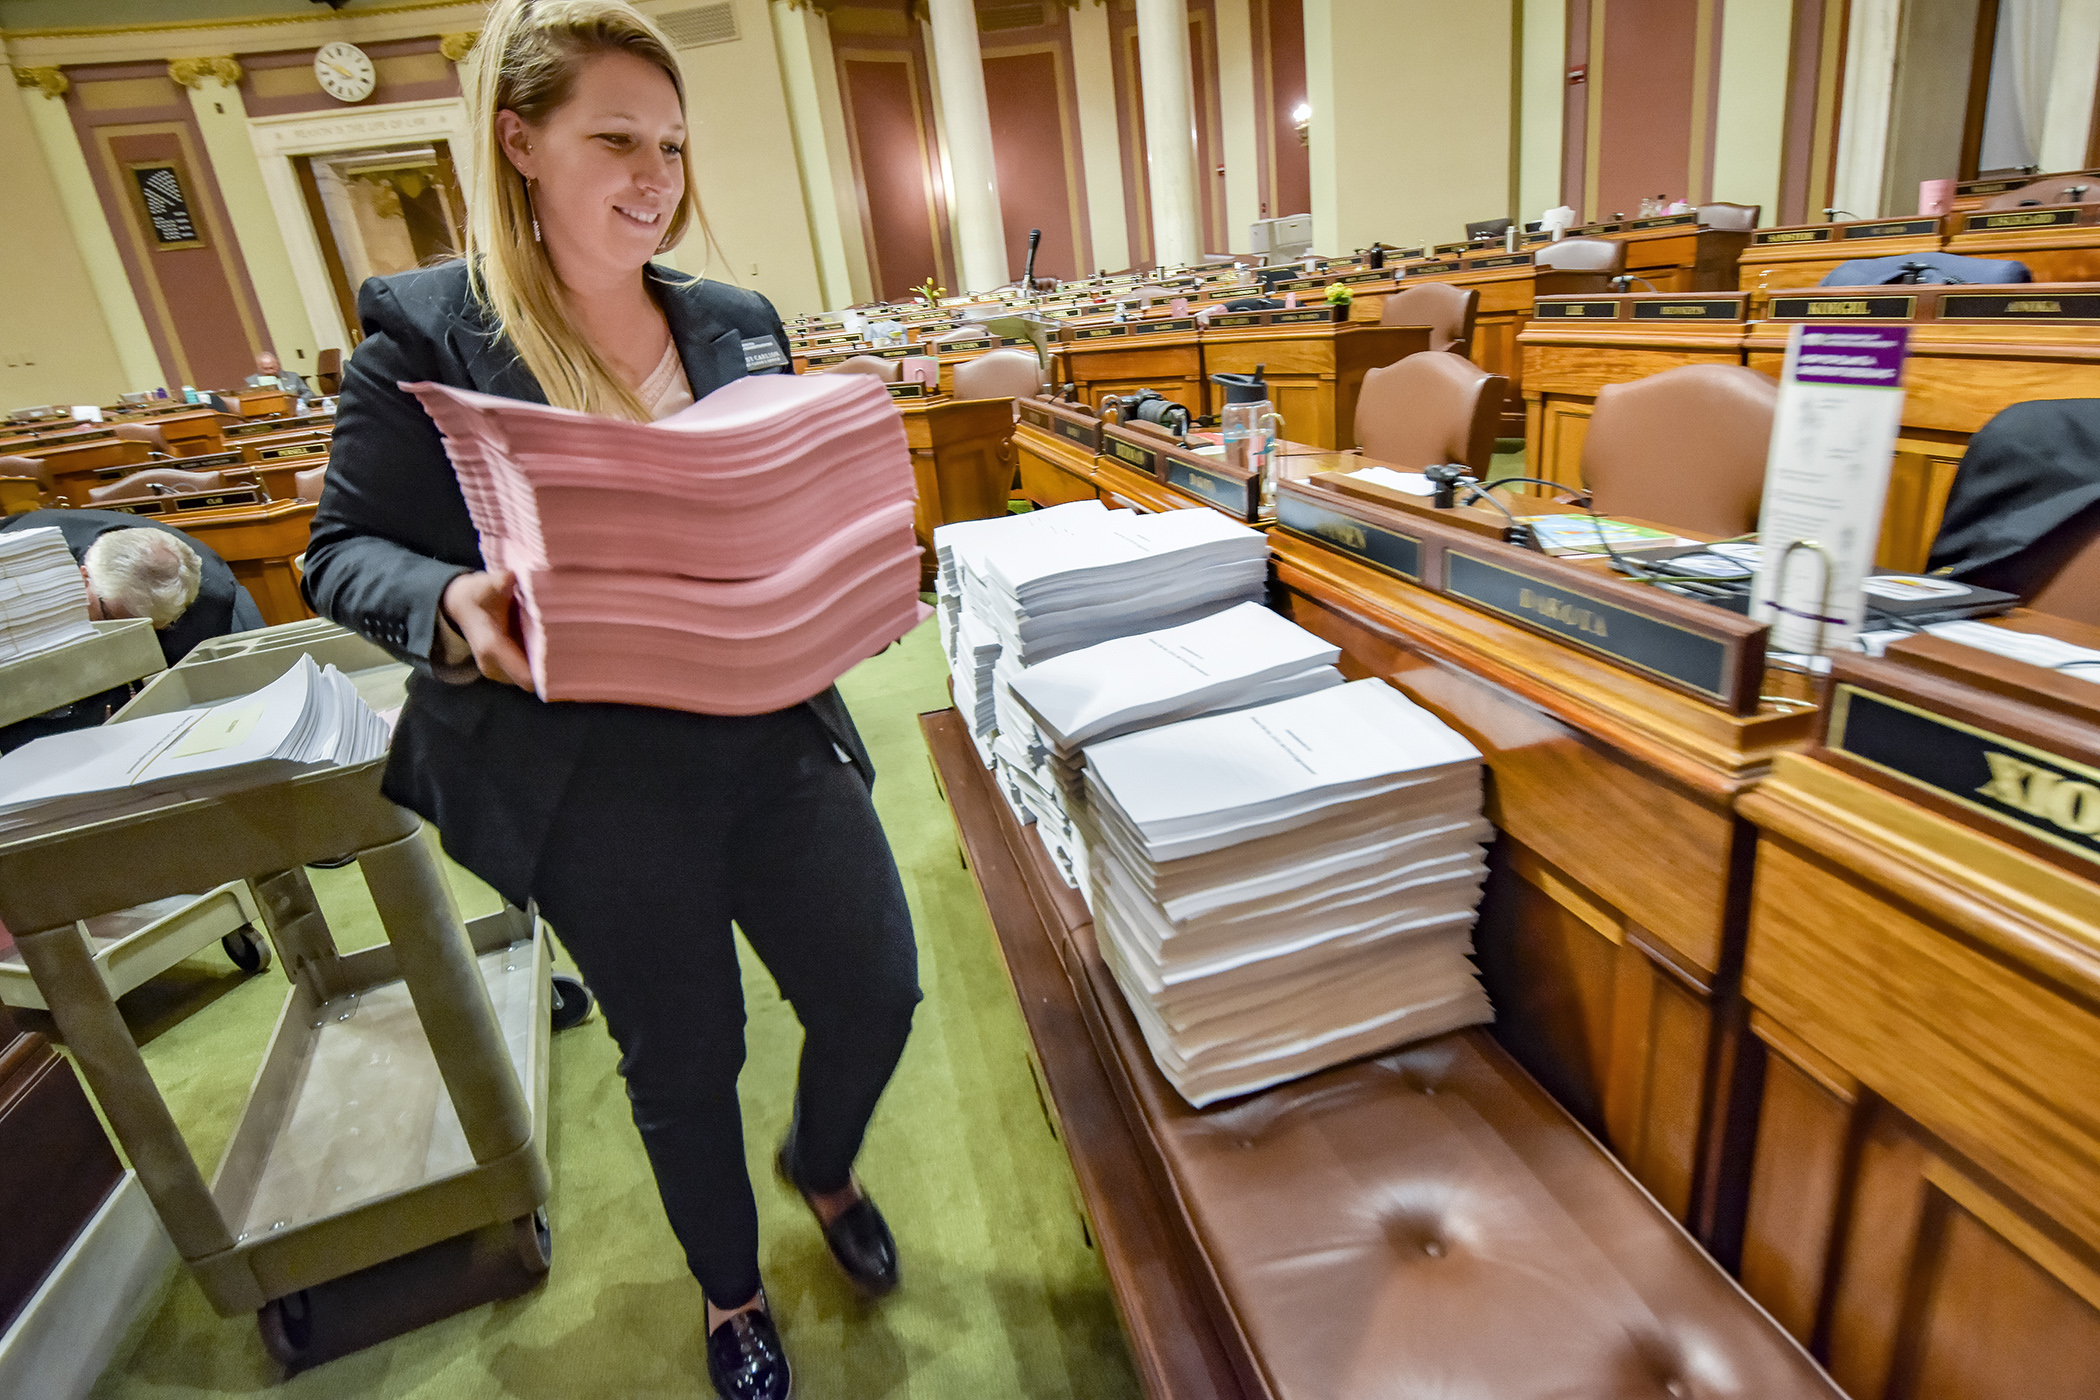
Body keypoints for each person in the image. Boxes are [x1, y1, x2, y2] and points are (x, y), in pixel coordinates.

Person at [299, 5, 919, 1398]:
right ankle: (733, 1294)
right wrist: (455, 607)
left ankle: (820, 1165)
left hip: (767, 726)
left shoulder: (737, 323)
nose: (657, 176)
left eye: (676, 146)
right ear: (520, 142)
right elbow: (339, 556)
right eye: (617, 140)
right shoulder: (426, 334)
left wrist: (844, 552)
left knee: (877, 987)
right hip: (586, 775)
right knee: (686, 1050)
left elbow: (773, 499)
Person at [0, 509, 267, 751]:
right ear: (83, 578)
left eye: (154, 626)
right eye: (122, 620)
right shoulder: (21, 570)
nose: (138, 636)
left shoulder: (208, 598)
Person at [247, 350, 314, 403]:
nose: (270, 372)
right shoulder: (252, 381)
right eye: (266, 369)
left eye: (272, 368)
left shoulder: (292, 376)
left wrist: (299, 402)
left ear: (278, 365)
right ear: (259, 368)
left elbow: (308, 393)